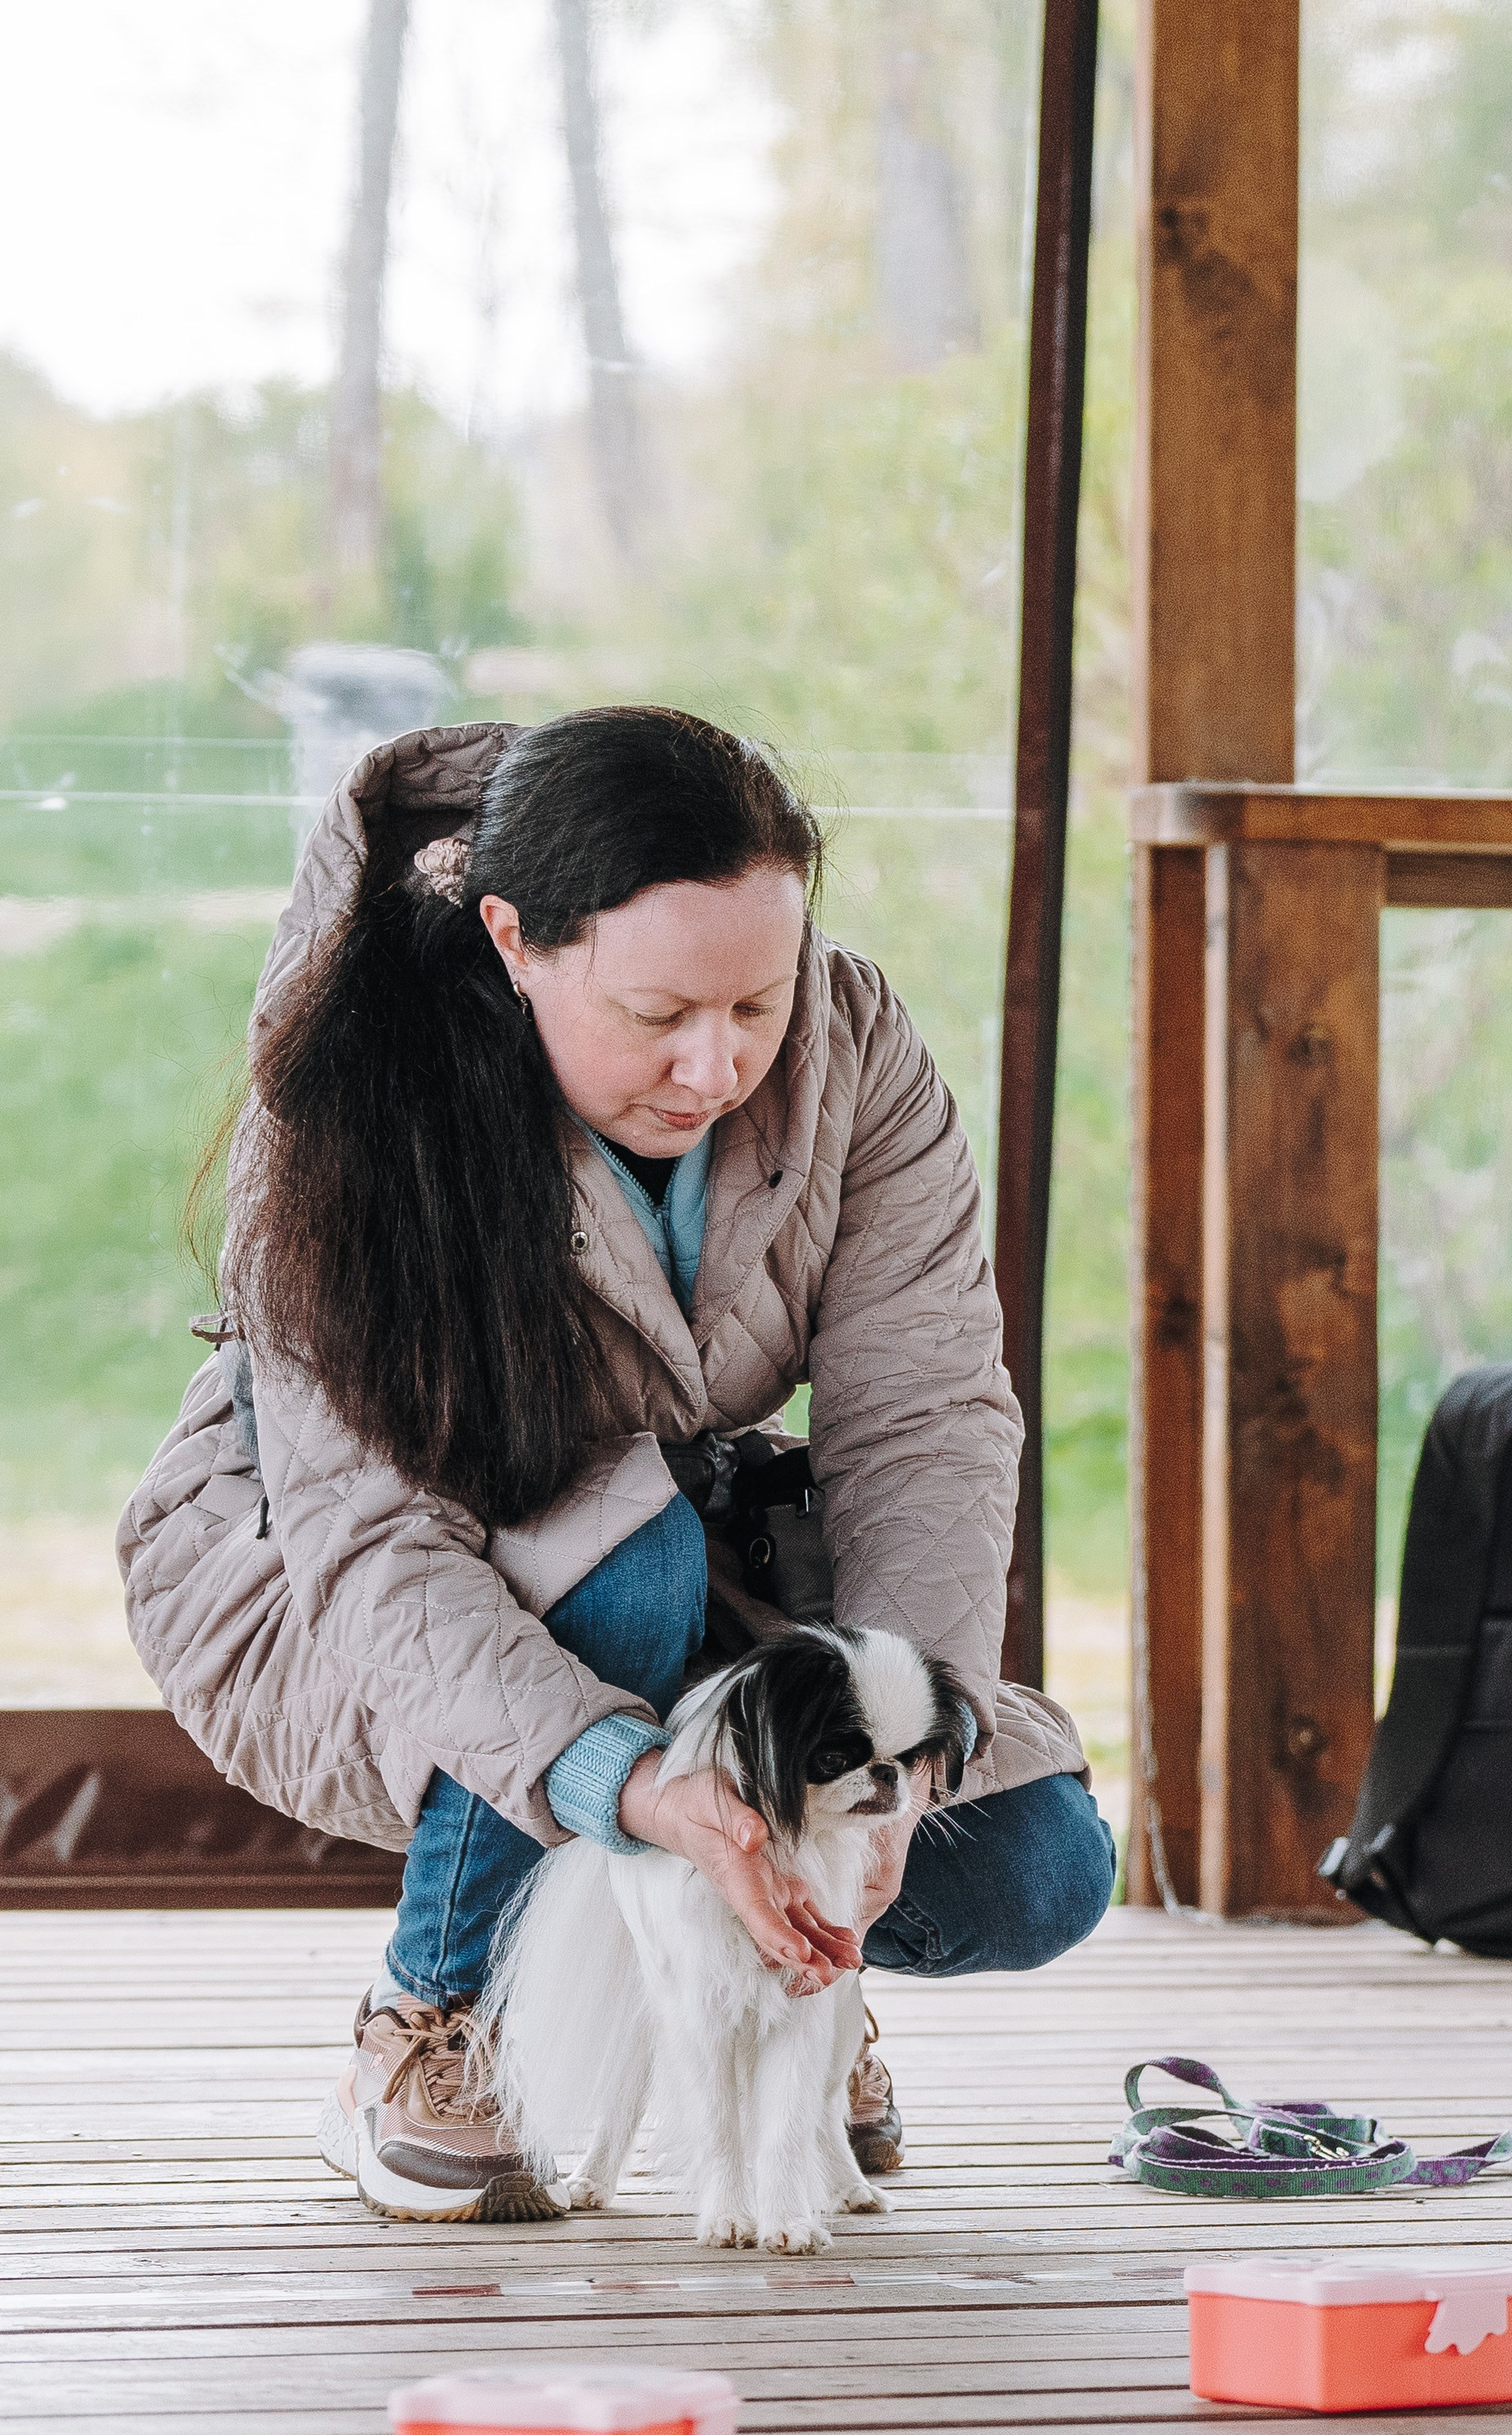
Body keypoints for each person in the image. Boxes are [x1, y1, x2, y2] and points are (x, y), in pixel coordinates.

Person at [119, 706, 1113, 2220]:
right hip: (344, 1575)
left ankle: (798, 1987)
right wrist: (634, 1785)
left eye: (756, 1006)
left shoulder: (856, 1045)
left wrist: (895, 1761)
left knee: (1032, 1864)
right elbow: (377, 1546)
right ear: (517, 943)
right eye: (659, 1014)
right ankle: (432, 2019)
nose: (714, 1066)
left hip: (703, 1528)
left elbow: (925, 1419)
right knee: (624, 1563)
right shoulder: (346, 1100)